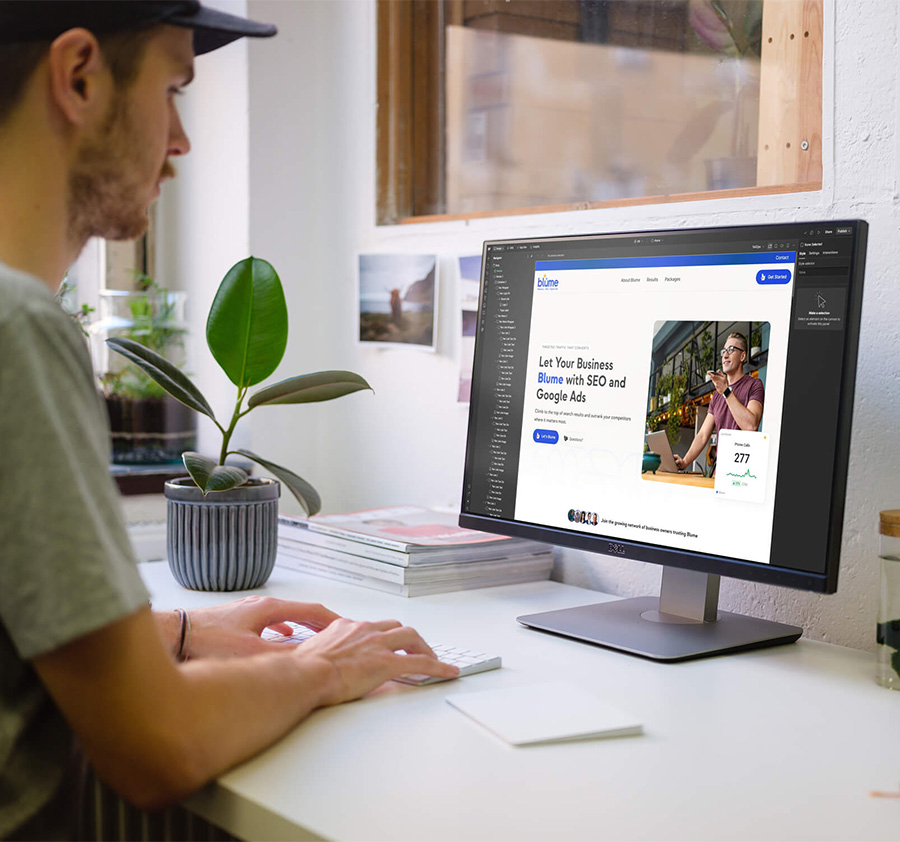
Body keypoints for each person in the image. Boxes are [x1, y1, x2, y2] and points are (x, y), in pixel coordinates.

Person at [0, 3, 457, 838]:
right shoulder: (16, 330)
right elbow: (156, 746)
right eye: (172, 88)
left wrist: (178, 631)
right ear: (78, 78)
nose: (179, 139)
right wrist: (325, 666)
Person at [673, 332, 764, 473]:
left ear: (743, 356)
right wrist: (684, 462)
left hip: (742, 474)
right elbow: (703, 434)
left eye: (731, 350)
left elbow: (751, 425)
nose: (725, 355)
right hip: (719, 473)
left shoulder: (754, 385)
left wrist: (726, 391)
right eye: (724, 351)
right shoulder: (716, 396)